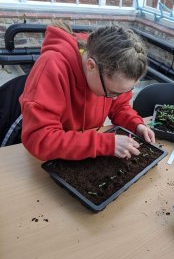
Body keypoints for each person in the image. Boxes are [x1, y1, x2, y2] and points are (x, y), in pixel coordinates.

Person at [19, 21, 155, 161]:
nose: (114, 98)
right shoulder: (52, 67)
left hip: (83, 152)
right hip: (52, 158)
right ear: (91, 66)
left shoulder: (110, 73)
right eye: (111, 92)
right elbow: (40, 139)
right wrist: (105, 143)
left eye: (124, 91)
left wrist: (136, 125)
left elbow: (119, 107)